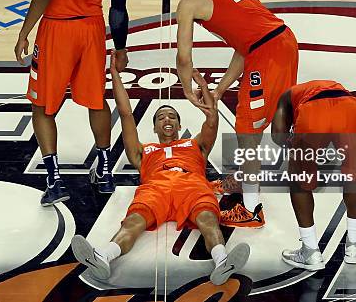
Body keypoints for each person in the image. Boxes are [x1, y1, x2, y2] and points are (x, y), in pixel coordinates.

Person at [71, 52, 250, 286]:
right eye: (161, 117)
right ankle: (103, 257)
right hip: (155, 187)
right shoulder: (142, 150)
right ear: (155, 127)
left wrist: (204, 86)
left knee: (207, 219)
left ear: (179, 124)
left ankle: (222, 262)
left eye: (172, 116)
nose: (167, 119)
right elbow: (126, 114)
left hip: (192, 184)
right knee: (133, 222)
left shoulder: (196, 144)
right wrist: (115, 74)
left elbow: (212, 119)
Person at [14, 0, 132, 205]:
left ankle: (54, 181)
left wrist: (25, 31)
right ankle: (105, 170)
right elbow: (118, 10)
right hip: (92, 31)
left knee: (42, 106)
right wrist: (120, 47)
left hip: (57, 29)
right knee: (96, 101)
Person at [175, 0, 298, 227]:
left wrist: (186, 90)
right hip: (280, 43)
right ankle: (244, 178)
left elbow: (184, 57)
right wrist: (218, 90)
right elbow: (246, 46)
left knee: (246, 128)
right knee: (252, 120)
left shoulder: (189, 1)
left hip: (269, 54)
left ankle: (252, 210)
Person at [271, 80, 356, 270]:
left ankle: (310, 252)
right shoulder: (330, 87)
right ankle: (355, 244)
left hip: (312, 113)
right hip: (350, 108)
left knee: (299, 177)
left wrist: (298, 152)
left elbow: (277, 135)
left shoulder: (286, 97)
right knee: (353, 170)